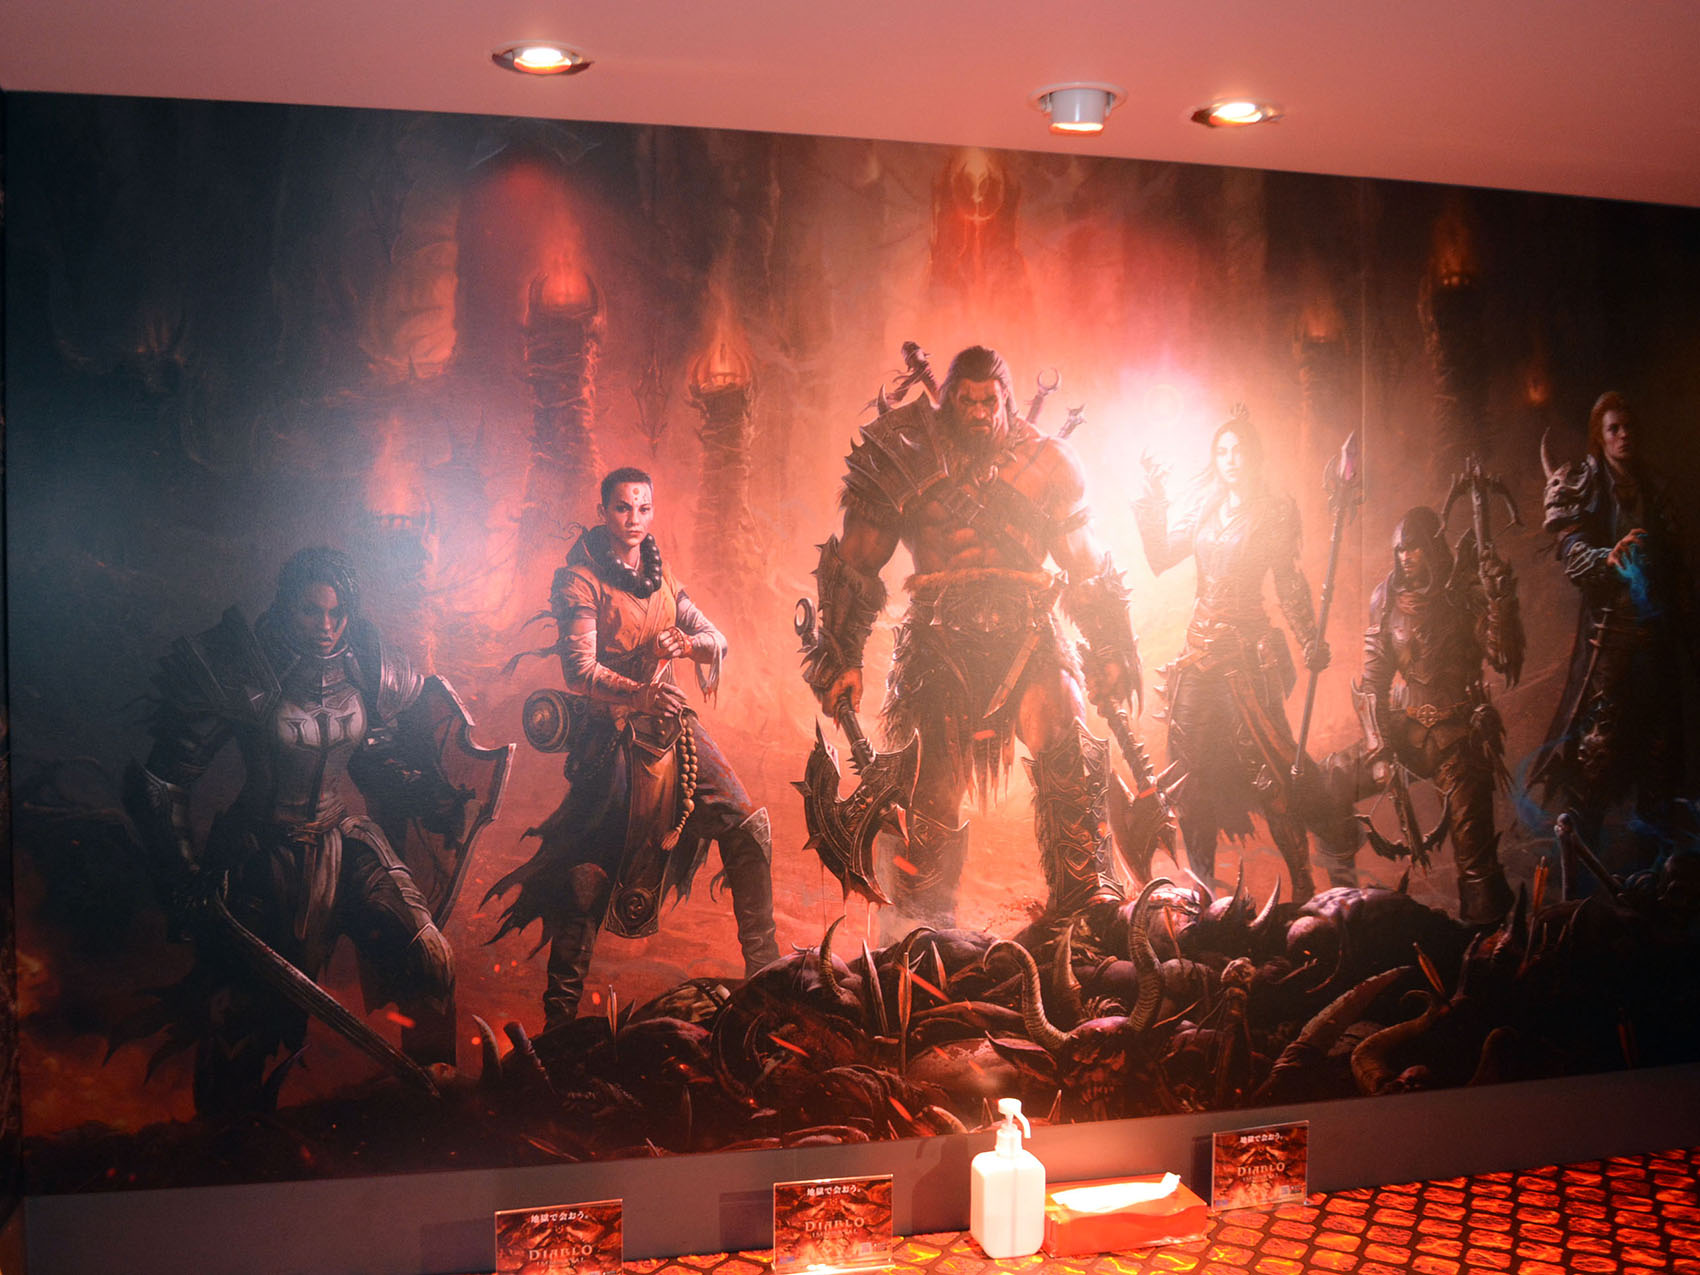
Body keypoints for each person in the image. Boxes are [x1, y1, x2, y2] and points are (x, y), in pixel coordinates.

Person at [803, 345, 1140, 935]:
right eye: (967, 401)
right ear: (948, 401)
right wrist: (843, 657)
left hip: (1028, 633)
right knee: (930, 790)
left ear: (1007, 401)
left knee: (1064, 728)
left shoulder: (1047, 462)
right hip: (940, 641)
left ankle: (1086, 903)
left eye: (990, 402)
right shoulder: (905, 452)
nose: (980, 413)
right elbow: (856, 561)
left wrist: (1110, 650)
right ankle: (919, 929)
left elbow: (1085, 565)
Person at [126, 547, 456, 1114]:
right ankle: (231, 1137)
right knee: (250, 1017)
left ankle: (436, 1107)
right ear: (286, 608)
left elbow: (376, 764)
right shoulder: (244, 669)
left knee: (430, 957)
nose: (326, 626)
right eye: (311, 611)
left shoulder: (369, 668)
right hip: (261, 851)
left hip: (342, 840)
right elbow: (161, 782)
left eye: (337, 613)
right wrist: (182, 876)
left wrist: (433, 798)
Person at [488, 467, 779, 1030]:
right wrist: (639, 694)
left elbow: (717, 640)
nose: (634, 520)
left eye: (644, 509)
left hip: (672, 727)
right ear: (604, 511)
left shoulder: (660, 574)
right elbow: (579, 670)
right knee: (586, 876)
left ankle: (766, 978)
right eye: (623, 508)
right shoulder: (579, 581)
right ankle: (560, 1025)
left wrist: (687, 643)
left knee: (745, 825)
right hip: (610, 734)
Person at [1135, 407, 1331, 898]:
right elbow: (1161, 556)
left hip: (1246, 657)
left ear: (1254, 457)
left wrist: (1309, 636)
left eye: (1239, 451)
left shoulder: (1273, 513)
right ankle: (1201, 888)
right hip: (1198, 655)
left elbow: (1288, 581)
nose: (1231, 460)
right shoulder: (1208, 508)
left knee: (1269, 772)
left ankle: (1304, 886)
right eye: (1222, 452)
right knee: (1188, 778)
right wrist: (1154, 499)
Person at [1316, 506, 1523, 924]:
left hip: (1459, 739)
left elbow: (1502, 656)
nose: (1406, 557)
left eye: (1413, 548)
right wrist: (1379, 751)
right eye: (1400, 550)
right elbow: (1372, 685)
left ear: (1432, 547)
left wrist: (1499, 601)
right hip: (1405, 733)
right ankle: (1342, 903)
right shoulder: (1386, 599)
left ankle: (1487, 937)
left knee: (1475, 860)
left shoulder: (1463, 592)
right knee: (1330, 779)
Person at [1533, 392, 1696, 884]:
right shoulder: (1584, 485)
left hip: (1657, 642)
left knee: (1661, 763)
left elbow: (1678, 565)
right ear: (1599, 437)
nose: (1624, 436)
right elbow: (1571, 548)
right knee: (1595, 761)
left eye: (1628, 427)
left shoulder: (1656, 489)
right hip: (1610, 645)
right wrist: (1606, 556)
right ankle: (1579, 887)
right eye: (1613, 429)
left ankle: (1655, 884)